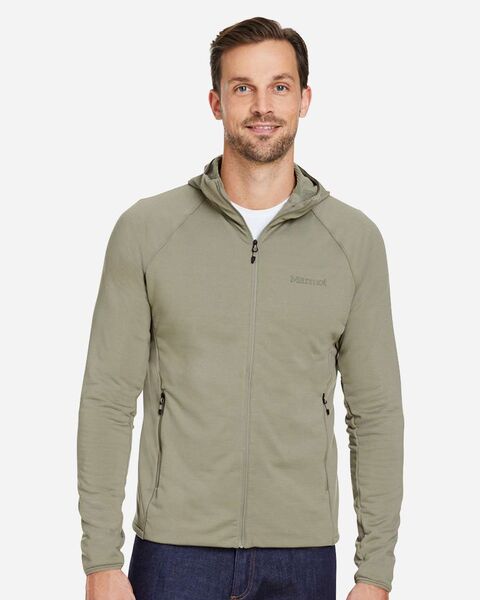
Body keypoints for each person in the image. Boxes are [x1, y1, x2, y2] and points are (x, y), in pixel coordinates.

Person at [77, 16, 404, 600]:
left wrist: (375, 572)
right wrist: (101, 559)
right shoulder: (148, 230)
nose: (262, 106)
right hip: (173, 552)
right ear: (216, 102)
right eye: (242, 87)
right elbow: (107, 398)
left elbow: (374, 412)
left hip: (301, 556)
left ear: (304, 99)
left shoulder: (353, 242)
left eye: (279, 86)